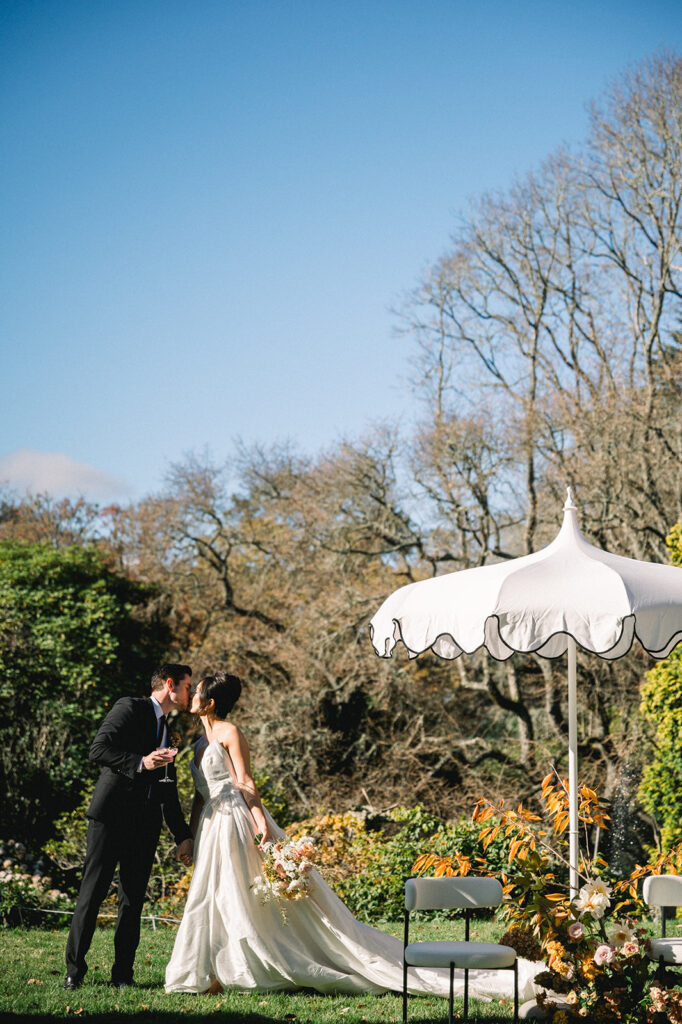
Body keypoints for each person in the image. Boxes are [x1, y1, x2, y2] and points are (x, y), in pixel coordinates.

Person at [165, 671, 540, 1002]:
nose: (190, 697)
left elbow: (245, 781)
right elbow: (201, 793)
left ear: (209, 702)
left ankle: (248, 967)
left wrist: (260, 822)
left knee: (237, 892)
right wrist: (191, 837)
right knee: (211, 894)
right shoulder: (198, 744)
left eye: (195, 692)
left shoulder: (230, 732)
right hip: (213, 824)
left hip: (237, 821)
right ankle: (213, 969)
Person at [64, 663, 195, 990]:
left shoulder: (168, 730)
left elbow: (167, 787)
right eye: (187, 686)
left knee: (132, 901)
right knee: (91, 895)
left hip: (145, 825)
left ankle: (122, 975)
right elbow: (99, 749)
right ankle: (74, 973)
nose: (189, 693)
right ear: (170, 685)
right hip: (110, 817)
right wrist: (141, 762)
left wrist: (183, 836)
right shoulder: (130, 707)